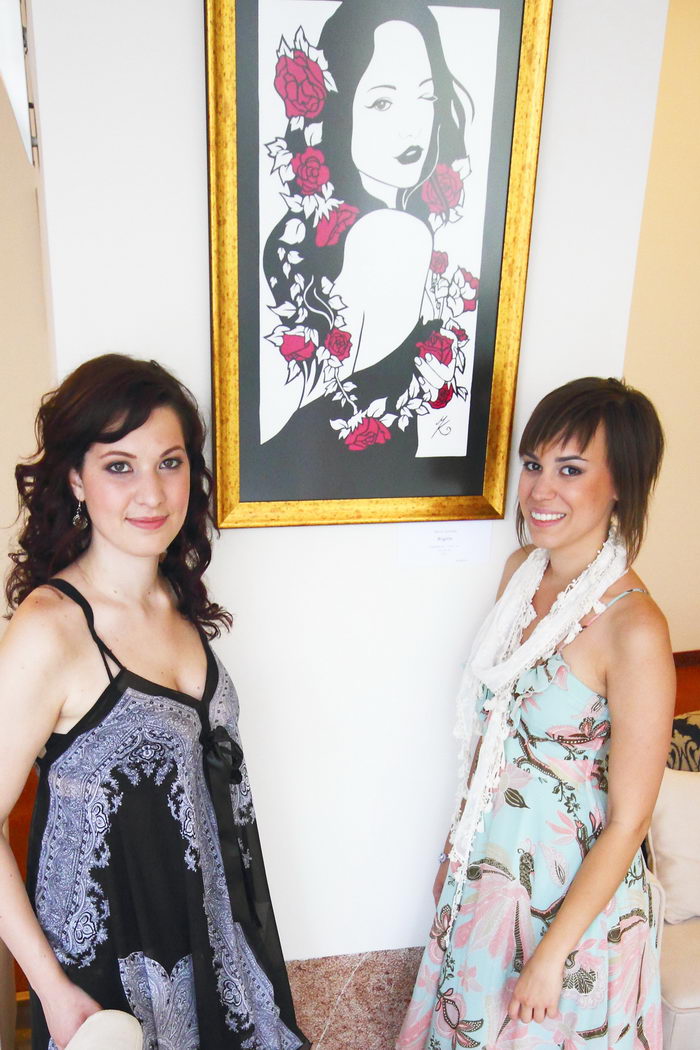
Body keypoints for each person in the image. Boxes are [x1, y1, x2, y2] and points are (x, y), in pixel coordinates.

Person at [0, 355, 309, 1050]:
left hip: (218, 953)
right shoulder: (51, 628)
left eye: (169, 463)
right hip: (108, 979)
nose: (152, 492)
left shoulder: (175, 597)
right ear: (75, 479)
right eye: (119, 466)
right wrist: (52, 990)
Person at [397, 377, 674, 1049]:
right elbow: (495, 734)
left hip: (573, 909)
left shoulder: (633, 627)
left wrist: (552, 955)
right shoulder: (523, 572)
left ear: (621, 483)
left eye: (570, 470)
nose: (540, 490)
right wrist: (455, 847)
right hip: (492, 874)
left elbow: (630, 819)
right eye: (533, 464)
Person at [259, 0, 478, 460]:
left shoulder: (303, 231)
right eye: (382, 101)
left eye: (427, 97)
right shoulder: (393, 234)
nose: (411, 126)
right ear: (339, 109)